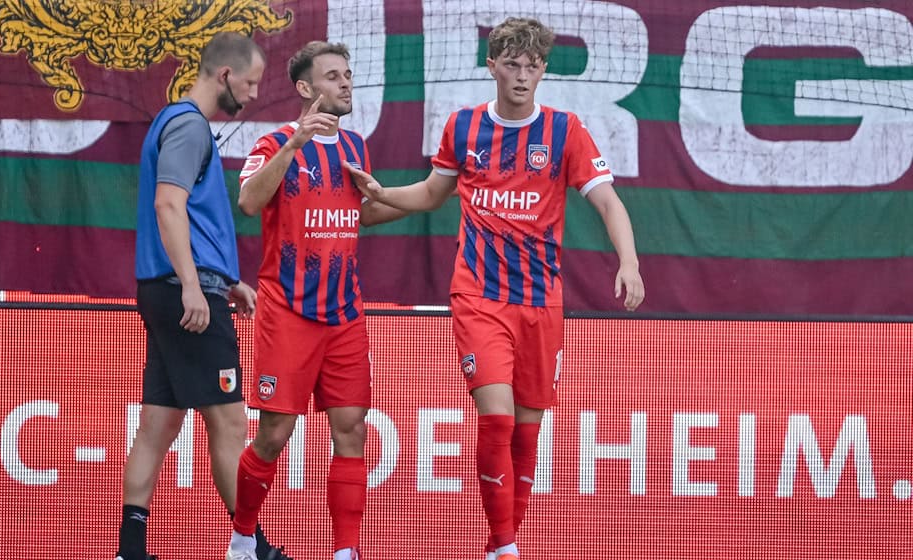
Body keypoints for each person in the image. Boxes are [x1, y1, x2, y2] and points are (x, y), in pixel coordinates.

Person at [345, 17, 645, 560]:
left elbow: (607, 201)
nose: (523, 75)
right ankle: (506, 546)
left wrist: (629, 262)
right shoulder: (462, 128)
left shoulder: (565, 130)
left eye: (533, 65)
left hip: (541, 302)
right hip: (479, 296)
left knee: (527, 434)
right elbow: (433, 194)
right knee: (498, 417)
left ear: (544, 70)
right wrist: (376, 198)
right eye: (512, 64)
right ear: (493, 66)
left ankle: (498, 542)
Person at [225, 41, 405, 560]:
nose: (347, 83)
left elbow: (361, 214)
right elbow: (249, 201)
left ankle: (345, 552)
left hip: (345, 314)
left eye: (348, 74)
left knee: (351, 432)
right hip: (287, 311)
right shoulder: (273, 142)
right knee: (274, 435)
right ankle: (242, 541)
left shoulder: (356, 149)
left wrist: (423, 197)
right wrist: (294, 144)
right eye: (333, 76)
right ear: (306, 89)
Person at [119, 32, 265, 560]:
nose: (251, 96)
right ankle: (251, 547)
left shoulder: (177, 123)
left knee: (157, 425)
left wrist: (227, 280)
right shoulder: (188, 125)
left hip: (178, 286)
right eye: (249, 83)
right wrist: (192, 285)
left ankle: (129, 550)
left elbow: (190, 222)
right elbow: (168, 207)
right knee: (229, 421)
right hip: (184, 294)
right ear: (225, 75)